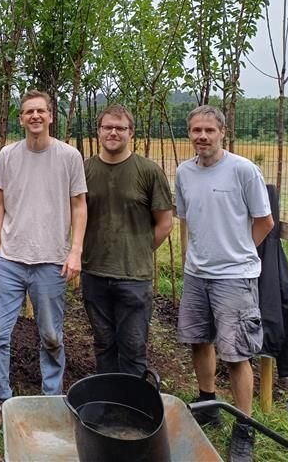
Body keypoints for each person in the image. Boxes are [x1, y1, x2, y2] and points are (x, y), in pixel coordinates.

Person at [0, 90, 87, 435]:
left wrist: (75, 251)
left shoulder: (69, 157)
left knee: (52, 335)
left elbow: (79, 206)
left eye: (41, 111)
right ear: (21, 118)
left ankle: (51, 401)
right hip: (10, 260)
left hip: (51, 261)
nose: (35, 116)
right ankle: (0, 403)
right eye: (29, 112)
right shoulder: (8, 156)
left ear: (51, 116)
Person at [176, 105, 274, 462]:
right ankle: (208, 402)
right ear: (190, 134)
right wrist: (192, 258)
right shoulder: (184, 172)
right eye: (196, 131)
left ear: (222, 132)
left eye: (209, 131)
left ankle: (244, 427)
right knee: (199, 340)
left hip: (235, 276)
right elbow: (186, 220)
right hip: (196, 274)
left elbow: (265, 222)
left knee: (235, 353)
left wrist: (239, 253)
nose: (202, 137)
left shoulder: (244, 170)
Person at [82, 104, 173, 376]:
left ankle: (132, 407)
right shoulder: (84, 170)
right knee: (103, 344)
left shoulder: (148, 171)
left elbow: (165, 223)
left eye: (120, 128)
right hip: (94, 273)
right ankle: (107, 403)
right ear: (98, 131)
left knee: (133, 347)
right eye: (108, 127)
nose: (113, 132)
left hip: (134, 277)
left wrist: (138, 251)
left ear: (131, 132)